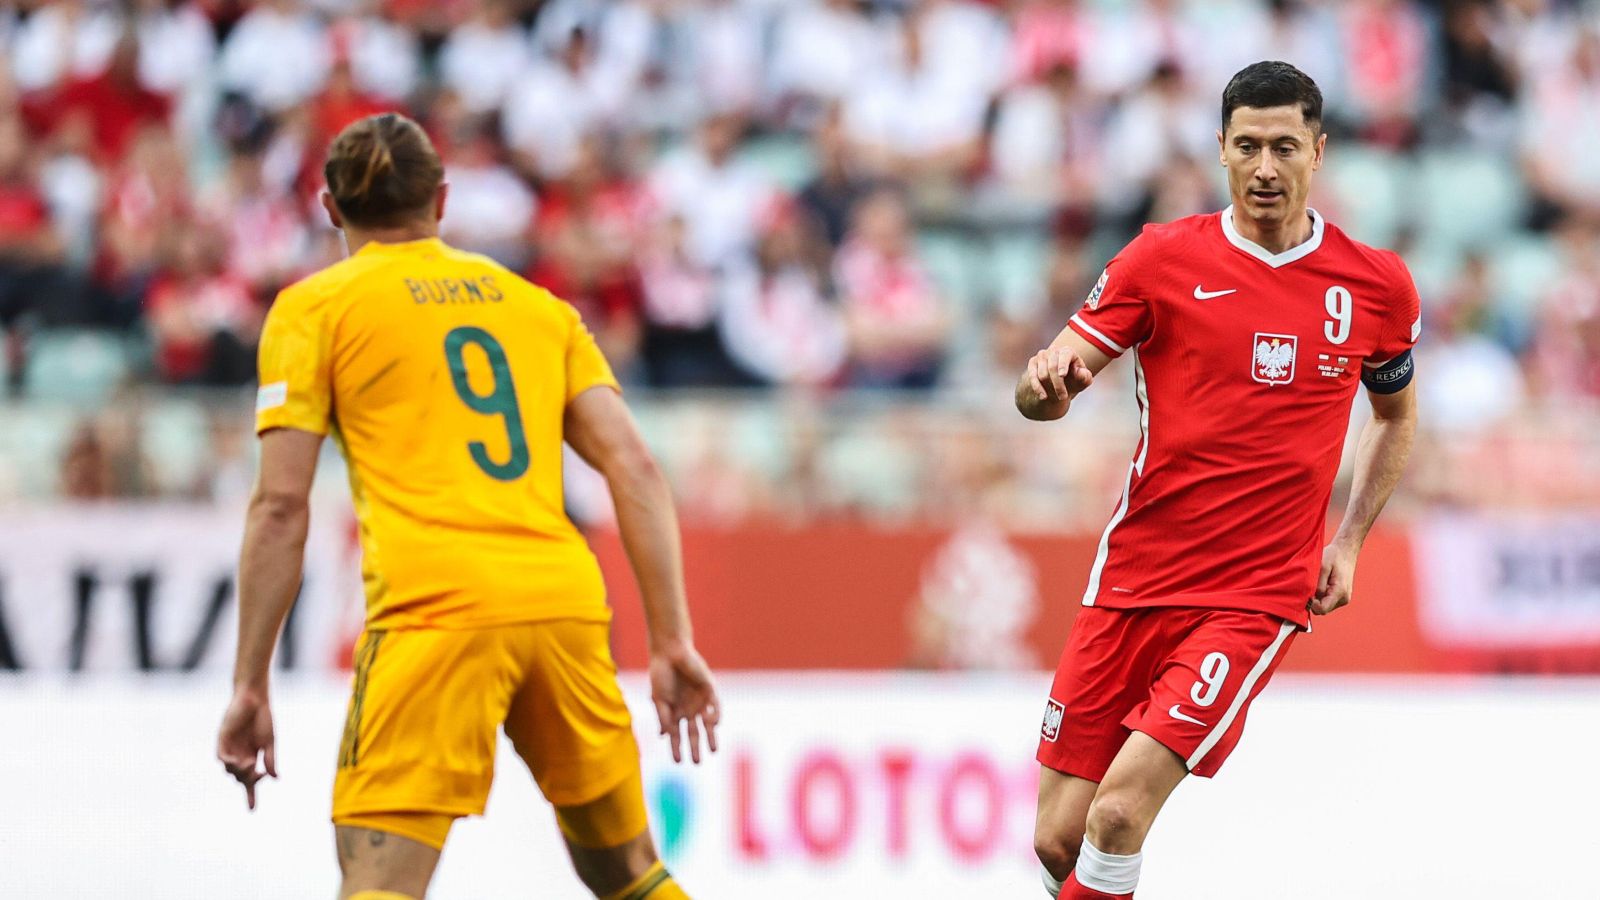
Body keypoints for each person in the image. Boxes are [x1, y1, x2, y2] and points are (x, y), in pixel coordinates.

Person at [215, 112, 718, 900]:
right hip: (560, 603)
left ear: (328, 208)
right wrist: (671, 639)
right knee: (628, 872)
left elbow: (281, 507)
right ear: (442, 202)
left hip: (433, 611)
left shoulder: (314, 309)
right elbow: (636, 466)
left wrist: (250, 683)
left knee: (378, 880)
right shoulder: (537, 307)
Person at [1018, 62, 1419, 899]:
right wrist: (1042, 385)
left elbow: (1393, 415)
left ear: (1318, 149)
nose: (1264, 167)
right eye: (1247, 147)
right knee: (1059, 840)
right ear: (1220, 151)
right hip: (1132, 577)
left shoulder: (1375, 284)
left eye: (1283, 146)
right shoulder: (1160, 258)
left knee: (1118, 816)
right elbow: (1054, 381)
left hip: (1253, 594)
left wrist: (1348, 540)